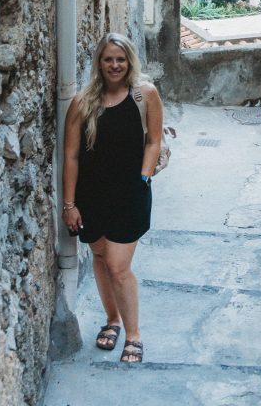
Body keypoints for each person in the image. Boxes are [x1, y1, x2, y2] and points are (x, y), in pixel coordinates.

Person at [62, 32, 164, 364]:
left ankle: (133, 335)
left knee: (119, 266)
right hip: (91, 196)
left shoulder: (144, 95)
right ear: (99, 63)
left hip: (130, 192)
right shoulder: (82, 102)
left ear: (129, 61)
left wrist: (144, 178)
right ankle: (112, 320)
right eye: (108, 59)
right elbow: (71, 156)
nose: (114, 65)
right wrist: (69, 204)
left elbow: (154, 142)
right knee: (101, 259)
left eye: (120, 59)